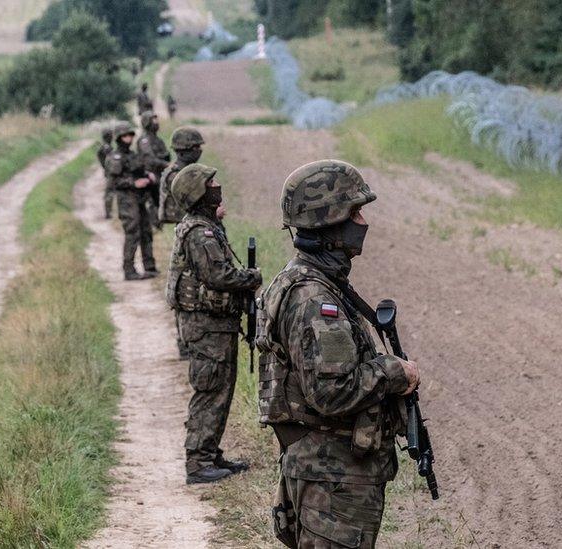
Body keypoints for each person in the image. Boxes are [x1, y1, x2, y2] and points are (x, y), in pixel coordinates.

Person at [255, 160, 421, 548]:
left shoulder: (307, 279)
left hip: (325, 472)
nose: (362, 221)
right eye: (354, 212)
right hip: (333, 478)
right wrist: (395, 371)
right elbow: (332, 392)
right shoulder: (315, 298)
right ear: (329, 221)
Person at [168, 164, 263, 484]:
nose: (218, 186)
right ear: (199, 192)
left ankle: (210, 451)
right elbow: (218, 275)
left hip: (214, 324)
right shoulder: (199, 232)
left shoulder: (204, 226)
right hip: (206, 325)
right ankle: (198, 461)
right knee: (210, 389)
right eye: (211, 183)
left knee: (221, 388)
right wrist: (252, 278)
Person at [159, 126, 206, 360]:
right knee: (185, 291)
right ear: (184, 149)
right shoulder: (175, 175)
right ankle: (184, 342)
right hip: (186, 238)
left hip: (195, 237)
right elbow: (184, 207)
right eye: (195, 147)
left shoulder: (191, 172)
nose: (199, 151)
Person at [105, 122, 158, 281]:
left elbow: (139, 170)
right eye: (125, 135)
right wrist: (133, 183)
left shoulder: (132, 154)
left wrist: (148, 176)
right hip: (127, 200)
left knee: (146, 232)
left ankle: (149, 267)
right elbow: (113, 182)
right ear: (119, 137)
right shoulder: (115, 157)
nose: (129, 138)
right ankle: (129, 270)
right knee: (132, 233)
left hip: (140, 198)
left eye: (130, 135)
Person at [137, 110, 170, 229]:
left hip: (159, 175)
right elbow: (149, 159)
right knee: (152, 202)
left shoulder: (158, 139)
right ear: (147, 122)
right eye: (153, 120)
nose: (156, 122)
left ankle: (158, 225)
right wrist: (166, 164)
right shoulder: (144, 140)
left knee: (160, 201)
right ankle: (153, 226)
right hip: (150, 175)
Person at [96, 126, 116, 219]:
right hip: (111, 173)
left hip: (108, 172)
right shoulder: (107, 148)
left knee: (110, 192)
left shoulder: (104, 147)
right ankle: (108, 213)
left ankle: (109, 212)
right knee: (110, 192)